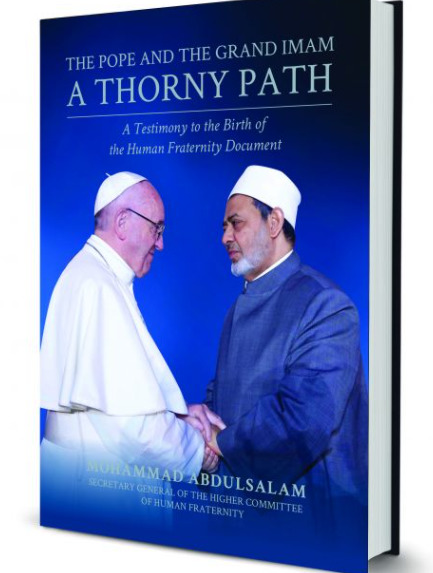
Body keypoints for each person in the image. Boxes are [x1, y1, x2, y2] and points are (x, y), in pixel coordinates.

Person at [196, 165, 367, 513]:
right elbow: (223, 395)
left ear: (274, 222)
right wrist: (198, 427)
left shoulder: (326, 304)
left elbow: (304, 419)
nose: (225, 237)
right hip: (237, 511)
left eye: (236, 223)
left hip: (307, 515)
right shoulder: (238, 307)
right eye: (224, 227)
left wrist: (218, 441)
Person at [41, 171, 220, 482]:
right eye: (156, 228)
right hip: (93, 491)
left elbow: (126, 400)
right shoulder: (99, 287)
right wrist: (197, 451)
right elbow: (133, 429)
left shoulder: (90, 275)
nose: (160, 244)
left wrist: (179, 417)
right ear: (122, 222)